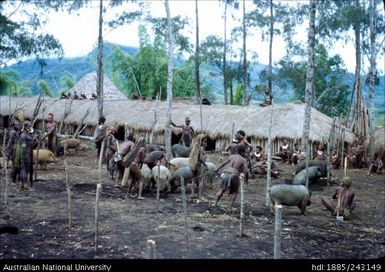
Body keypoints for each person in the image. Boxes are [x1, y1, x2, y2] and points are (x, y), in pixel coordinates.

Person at [214, 144, 249, 209]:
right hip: (234, 175)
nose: (246, 154)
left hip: (225, 173)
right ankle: (229, 207)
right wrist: (246, 179)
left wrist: (216, 169)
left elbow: (223, 163)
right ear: (242, 152)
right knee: (234, 191)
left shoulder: (232, 156)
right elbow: (246, 171)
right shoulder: (243, 160)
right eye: (246, 152)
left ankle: (215, 203)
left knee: (222, 189)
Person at [19, 119, 34, 190]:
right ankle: (24, 184)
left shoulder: (27, 135)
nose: (30, 127)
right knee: (25, 169)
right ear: (26, 127)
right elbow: (23, 147)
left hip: (28, 154)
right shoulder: (23, 136)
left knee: (25, 169)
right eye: (29, 126)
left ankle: (22, 184)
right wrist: (25, 156)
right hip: (26, 155)